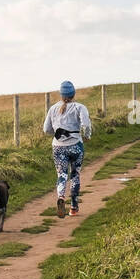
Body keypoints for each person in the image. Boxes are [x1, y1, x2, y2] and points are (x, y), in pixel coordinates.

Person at [43, 79, 93, 217]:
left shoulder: (53, 108)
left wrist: (59, 134)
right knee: (75, 174)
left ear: (61, 94)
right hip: (76, 145)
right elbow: (86, 125)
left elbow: (46, 129)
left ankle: (60, 197)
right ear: (73, 94)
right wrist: (87, 136)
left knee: (62, 175)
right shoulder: (79, 107)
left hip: (58, 147)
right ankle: (74, 207)